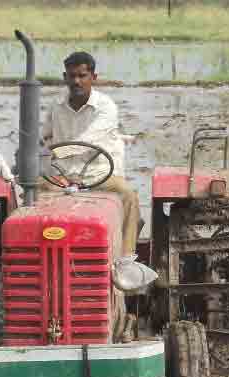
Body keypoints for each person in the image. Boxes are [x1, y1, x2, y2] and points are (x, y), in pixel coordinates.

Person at [40, 51, 140, 256]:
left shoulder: (106, 107)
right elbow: (44, 137)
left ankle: (126, 261)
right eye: (72, 75)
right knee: (28, 195)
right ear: (64, 77)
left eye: (82, 75)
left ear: (93, 77)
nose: (76, 81)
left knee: (128, 196)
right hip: (63, 177)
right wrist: (45, 161)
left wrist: (58, 152)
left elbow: (87, 142)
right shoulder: (56, 106)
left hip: (100, 175)